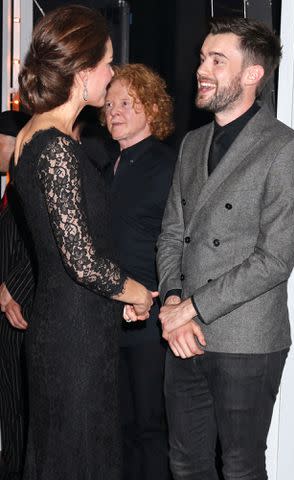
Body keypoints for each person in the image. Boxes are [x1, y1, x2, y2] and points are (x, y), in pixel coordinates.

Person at [157, 17, 294, 480]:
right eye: (203, 58)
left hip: (247, 339)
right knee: (185, 464)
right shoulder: (191, 144)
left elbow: (274, 261)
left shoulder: (289, 150)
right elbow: (171, 233)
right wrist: (171, 302)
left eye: (217, 60)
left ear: (252, 75)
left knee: (242, 467)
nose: (201, 69)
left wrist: (192, 309)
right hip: (182, 335)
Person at [13, 6, 157, 480]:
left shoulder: (33, 135)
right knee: (76, 458)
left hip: (72, 322)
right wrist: (136, 292)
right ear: (81, 71)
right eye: (108, 62)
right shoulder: (55, 146)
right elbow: (80, 260)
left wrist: (111, 302)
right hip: (72, 336)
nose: (112, 73)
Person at [104, 63, 175, 480]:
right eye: (109, 104)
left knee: (151, 429)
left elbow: (181, 243)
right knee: (119, 430)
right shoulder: (104, 168)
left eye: (126, 103)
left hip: (150, 321)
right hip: (109, 318)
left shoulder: (169, 166)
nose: (114, 111)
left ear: (150, 107)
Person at [0, 110, 32, 480]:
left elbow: (39, 247)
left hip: (24, 312)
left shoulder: (28, 185)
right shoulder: (11, 188)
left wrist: (13, 291)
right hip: (8, 312)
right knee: (10, 405)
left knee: (24, 404)